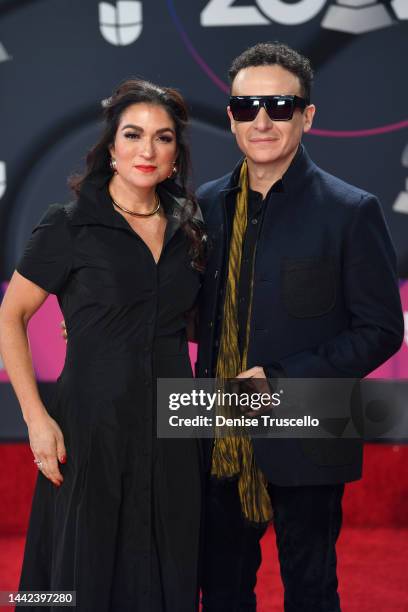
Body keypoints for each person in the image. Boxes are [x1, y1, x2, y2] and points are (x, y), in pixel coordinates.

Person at [195, 42, 404, 611]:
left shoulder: (350, 209)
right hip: (215, 427)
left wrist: (281, 379)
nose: (262, 119)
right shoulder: (204, 206)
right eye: (247, 106)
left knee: (311, 589)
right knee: (220, 591)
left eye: (280, 106)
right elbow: (189, 311)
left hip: (312, 423)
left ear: (307, 116)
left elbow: (382, 329)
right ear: (232, 114)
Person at [0, 78, 206, 611]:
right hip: (89, 426)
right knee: (82, 571)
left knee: (170, 565)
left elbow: (189, 318)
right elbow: (11, 315)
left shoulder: (193, 229)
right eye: (133, 135)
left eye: (163, 138)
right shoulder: (68, 226)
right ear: (110, 148)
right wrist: (35, 418)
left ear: (175, 155)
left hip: (172, 428)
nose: (147, 149)